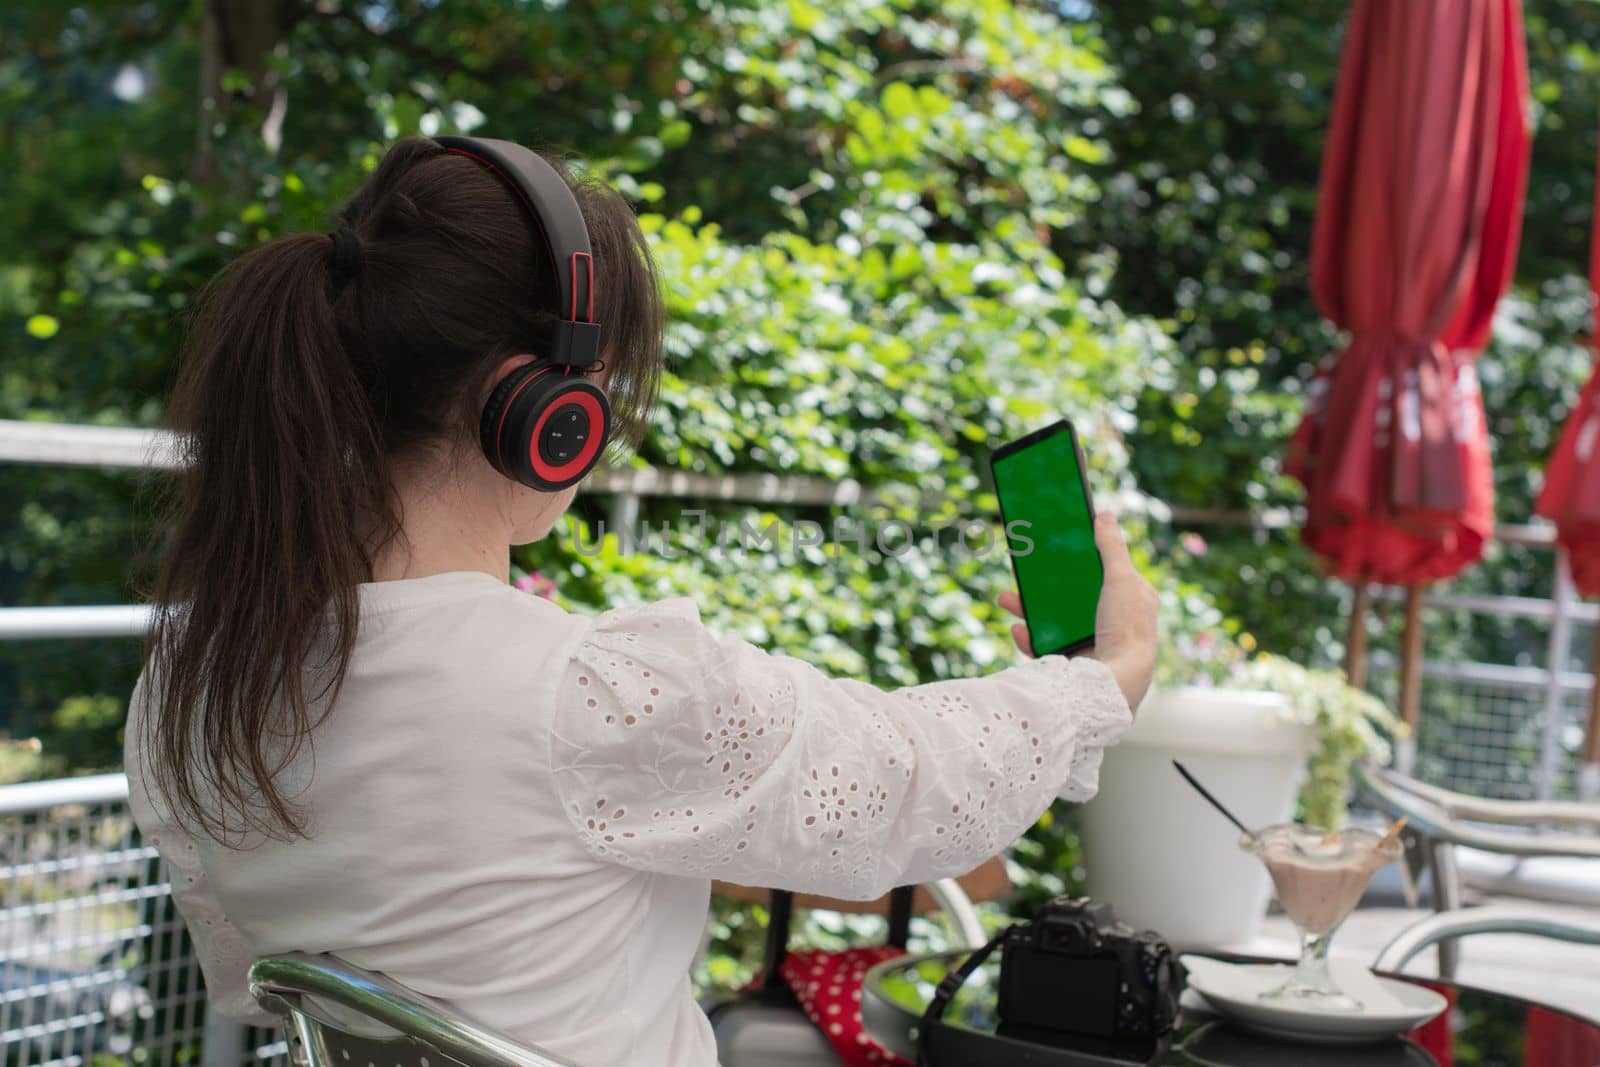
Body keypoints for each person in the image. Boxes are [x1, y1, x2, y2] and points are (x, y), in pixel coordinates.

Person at [124, 136, 1158, 1067]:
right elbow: (913, 784)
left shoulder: (189, 684)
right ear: (544, 410)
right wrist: (1101, 677)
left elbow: (248, 977)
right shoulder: (586, 692)